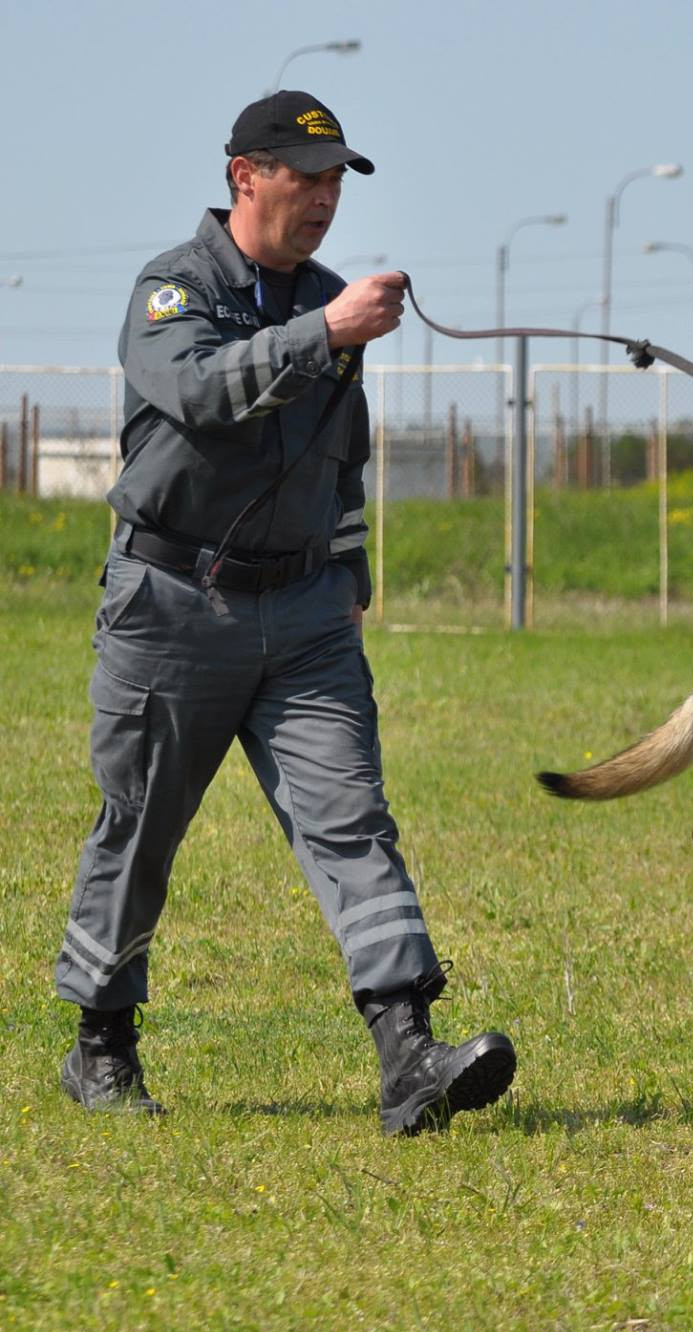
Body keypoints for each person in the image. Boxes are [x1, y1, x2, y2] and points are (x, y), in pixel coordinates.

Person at [54, 91, 516, 1135]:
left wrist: (347, 579)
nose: (323, 198)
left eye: (335, 181)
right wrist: (324, 333)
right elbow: (200, 391)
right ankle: (101, 1046)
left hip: (305, 614)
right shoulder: (174, 289)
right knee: (140, 828)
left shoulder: (326, 301)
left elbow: (341, 458)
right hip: (172, 604)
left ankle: (409, 1054)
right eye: (305, 178)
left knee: (351, 818)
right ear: (244, 177)